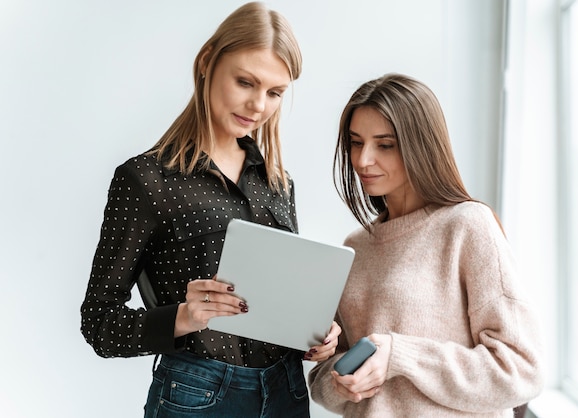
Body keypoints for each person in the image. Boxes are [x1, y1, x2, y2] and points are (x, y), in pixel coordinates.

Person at [80, 3, 340, 417]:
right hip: (197, 394)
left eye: (275, 93)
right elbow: (99, 323)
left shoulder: (278, 182)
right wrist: (183, 318)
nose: (258, 105)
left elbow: (278, 302)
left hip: (287, 390)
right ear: (206, 62)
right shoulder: (146, 180)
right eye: (245, 82)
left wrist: (316, 334)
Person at [308, 73, 544, 417]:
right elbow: (323, 383)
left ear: (420, 145)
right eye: (356, 142)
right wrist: (338, 380)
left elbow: (522, 370)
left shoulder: (468, 226)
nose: (362, 160)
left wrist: (400, 356)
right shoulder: (356, 247)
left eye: (384, 144)